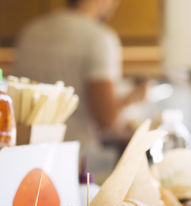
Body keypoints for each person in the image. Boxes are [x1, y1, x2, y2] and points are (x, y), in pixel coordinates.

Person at [14, 0, 146, 173]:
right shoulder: (99, 38)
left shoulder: (31, 32)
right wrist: (133, 98)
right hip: (77, 160)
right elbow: (107, 120)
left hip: (29, 158)